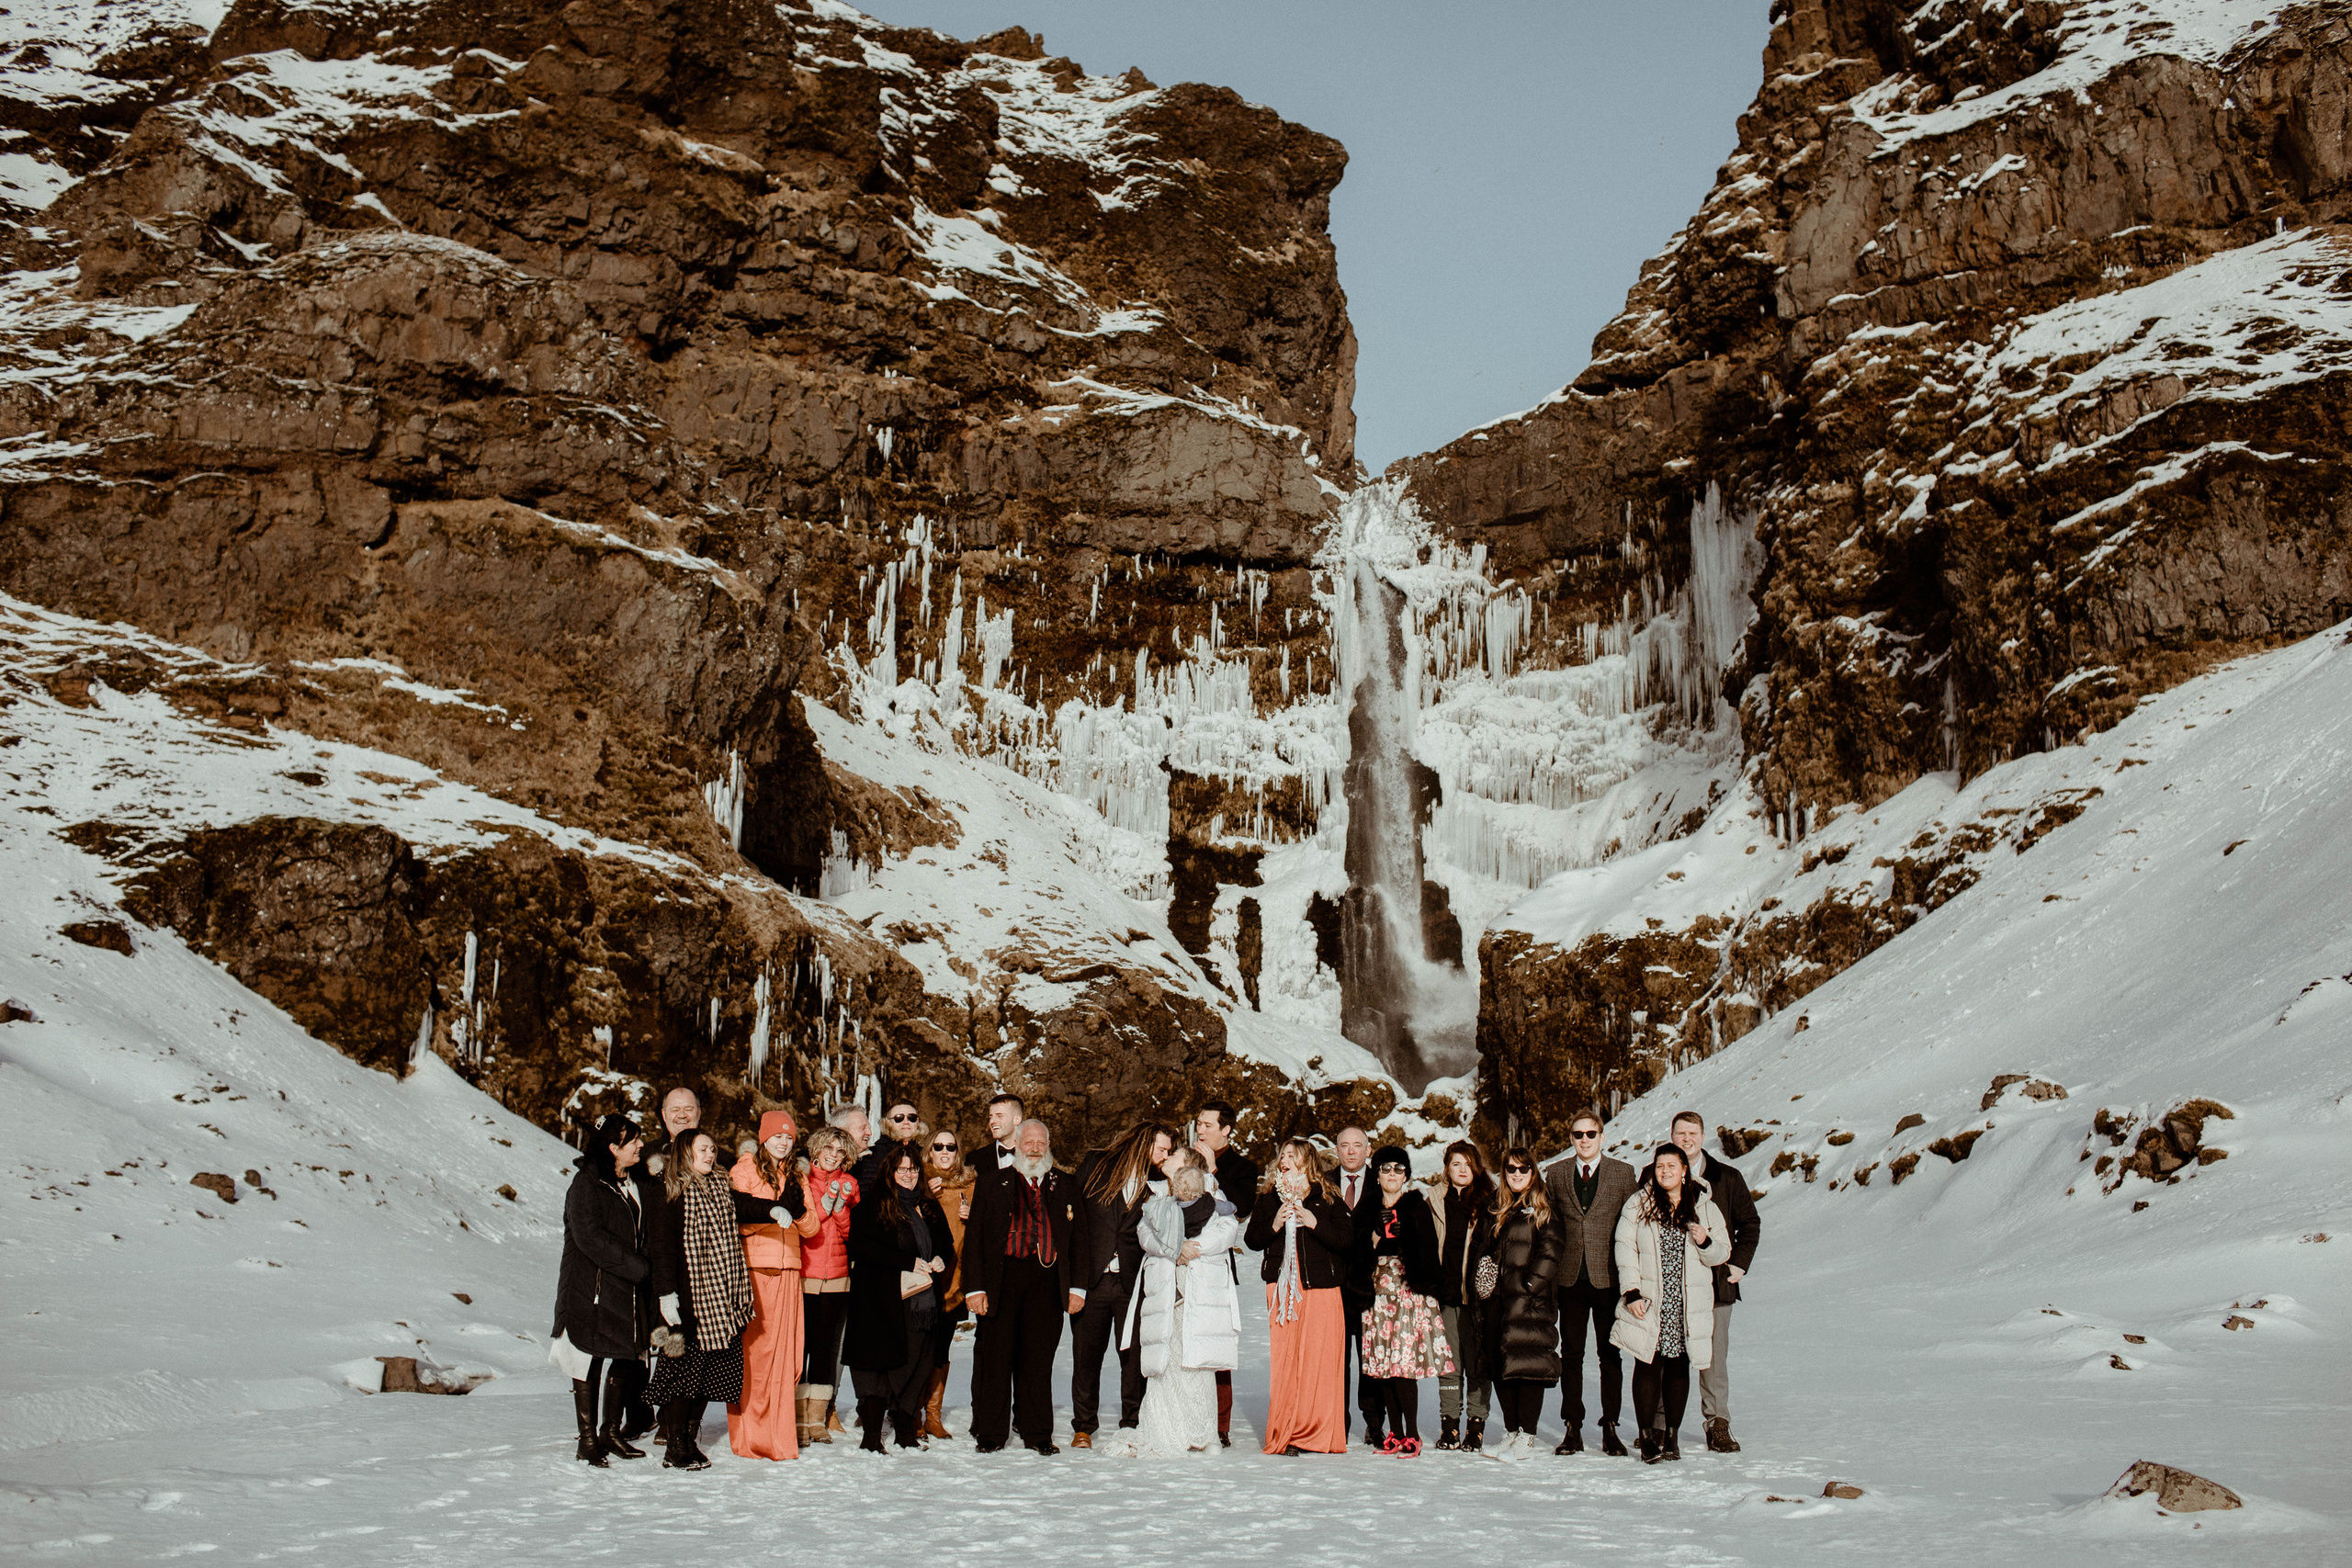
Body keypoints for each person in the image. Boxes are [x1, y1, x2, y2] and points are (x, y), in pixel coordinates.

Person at [1611, 1143, 1731, 1463]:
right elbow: (1624, 1249)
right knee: (1647, 1363)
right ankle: (1648, 1435)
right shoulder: (1639, 1203)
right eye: (1660, 1166)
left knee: (1679, 1365)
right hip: (1650, 1299)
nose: (1665, 1172)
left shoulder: (1704, 1205)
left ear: (1684, 1170)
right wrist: (1631, 1292)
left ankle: (1673, 1436)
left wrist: (1705, 1240)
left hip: (1688, 1300)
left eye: (1671, 1166)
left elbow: (1723, 1252)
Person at [644, 1129, 756, 1470]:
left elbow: (748, 1206)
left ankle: (689, 1440)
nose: (710, 1155)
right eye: (703, 1149)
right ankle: (675, 1445)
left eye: (712, 1149)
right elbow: (661, 1248)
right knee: (682, 1374)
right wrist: (666, 1294)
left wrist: (781, 1207)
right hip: (685, 1298)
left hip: (718, 1298)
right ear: (685, 1152)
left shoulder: (720, 1187)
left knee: (709, 1374)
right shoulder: (669, 1189)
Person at [963, 1118, 1073, 1453]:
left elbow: (1078, 1240)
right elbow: (975, 1241)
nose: (1036, 1149)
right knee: (996, 1360)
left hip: (1046, 1281)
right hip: (1001, 1280)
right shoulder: (992, 1182)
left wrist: (1077, 1289)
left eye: (1041, 1143)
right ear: (1018, 1145)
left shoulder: (1065, 1184)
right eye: (1029, 1143)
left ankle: (1038, 1434)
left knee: (1038, 1362)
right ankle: (992, 1435)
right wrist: (974, 1289)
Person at [549, 1113, 650, 1466]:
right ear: (612, 1148)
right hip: (590, 1288)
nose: (640, 1145)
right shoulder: (585, 1185)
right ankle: (588, 1438)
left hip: (624, 1287)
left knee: (625, 1354)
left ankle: (611, 1430)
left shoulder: (630, 1180)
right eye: (633, 1141)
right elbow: (590, 1239)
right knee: (588, 1358)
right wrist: (639, 1268)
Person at [1129, 1149, 1243, 1454]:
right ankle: (1166, 1426)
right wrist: (1174, 1249)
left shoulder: (1217, 1202)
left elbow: (1228, 1231)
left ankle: (1199, 1430)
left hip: (1201, 1294)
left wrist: (1194, 1248)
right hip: (1169, 1293)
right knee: (1166, 1362)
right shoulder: (1159, 1204)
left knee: (1198, 1365)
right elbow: (1144, 1233)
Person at [843, 1143, 956, 1451]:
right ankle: (872, 1435)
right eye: (902, 1169)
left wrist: (941, 1259)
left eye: (914, 1169)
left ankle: (905, 1428)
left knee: (916, 1364)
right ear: (890, 1172)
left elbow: (945, 1244)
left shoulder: (929, 1206)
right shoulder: (876, 1204)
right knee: (880, 1367)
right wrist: (907, 1263)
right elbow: (861, 1246)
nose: (909, 1174)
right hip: (881, 1299)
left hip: (921, 1301)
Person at [1068, 1122, 1173, 1449]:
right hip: (1093, 1280)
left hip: (1133, 1282)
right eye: (1162, 1149)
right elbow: (1070, 1214)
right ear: (1144, 1143)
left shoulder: (1160, 1183)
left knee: (1133, 1357)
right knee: (1086, 1357)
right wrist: (1073, 1281)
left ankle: (1133, 1422)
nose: (1165, 1156)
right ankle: (1084, 1426)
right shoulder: (1096, 1164)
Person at [1245, 1136, 1352, 1455]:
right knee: (1286, 1360)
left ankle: (1314, 1433)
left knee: (1318, 1361)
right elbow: (1252, 1239)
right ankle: (1287, 1432)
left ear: (1308, 1161)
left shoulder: (1327, 1197)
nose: (1285, 1160)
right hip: (1282, 1289)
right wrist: (1275, 1223)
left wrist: (1314, 1221)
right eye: (1282, 1155)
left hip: (1321, 1288)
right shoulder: (1268, 1198)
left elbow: (1347, 1242)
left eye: (1292, 1155)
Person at [727, 1111, 820, 1460]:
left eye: (788, 1137)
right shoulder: (745, 1168)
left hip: (790, 1270)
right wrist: (771, 1212)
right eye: (777, 1136)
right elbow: (737, 1220)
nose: (783, 1142)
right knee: (756, 1356)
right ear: (764, 1138)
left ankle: (779, 1437)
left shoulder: (796, 1173)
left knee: (787, 1356)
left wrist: (796, 1212)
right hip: (756, 1269)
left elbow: (811, 1229)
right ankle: (750, 1437)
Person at [1544, 1107, 1637, 1456]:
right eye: (1578, 1135)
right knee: (1571, 1355)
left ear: (1602, 1136)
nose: (1585, 1140)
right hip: (1569, 1280)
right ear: (1571, 1138)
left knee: (1610, 1355)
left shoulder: (1623, 1173)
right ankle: (1572, 1427)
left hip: (1609, 1278)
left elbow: (1634, 1225)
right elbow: (1548, 1224)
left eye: (1591, 1134)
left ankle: (1610, 1426)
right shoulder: (1556, 1173)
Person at [1670, 1110, 1762, 1452]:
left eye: (1692, 1133)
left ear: (1703, 1136)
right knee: (1670, 1353)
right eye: (1680, 1133)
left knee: (1713, 1357)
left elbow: (1750, 1224)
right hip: (1672, 1282)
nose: (1687, 1139)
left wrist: (1739, 1265)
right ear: (1672, 1136)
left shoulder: (1727, 1177)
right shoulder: (1658, 1173)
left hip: (1716, 1283)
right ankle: (1663, 1424)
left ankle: (1717, 1423)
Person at [1357, 1144, 1450, 1456]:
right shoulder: (1367, 1208)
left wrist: (1405, 1233)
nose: (1392, 1174)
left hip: (1407, 1292)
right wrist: (1376, 1235)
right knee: (1384, 1364)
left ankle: (1411, 1434)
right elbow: (1355, 1252)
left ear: (1407, 1175)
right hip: (1377, 1293)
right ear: (1377, 1174)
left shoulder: (1416, 1206)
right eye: (1386, 1168)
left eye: (1399, 1169)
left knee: (1403, 1365)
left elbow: (1427, 1252)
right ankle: (1393, 1432)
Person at [1476, 1146, 1561, 1459]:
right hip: (1496, 1298)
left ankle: (1527, 1436)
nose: (1516, 1174)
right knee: (1501, 1364)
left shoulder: (1543, 1208)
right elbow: (1483, 1247)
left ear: (1533, 1172)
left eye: (1523, 1169)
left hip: (1528, 1300)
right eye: (1511, 1169)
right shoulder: (1496, 1205)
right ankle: (1512, 1431)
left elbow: (1551, 1251)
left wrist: (1530, 1284)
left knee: (1527, 1364)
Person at [1193, 1100, 1258, 1446]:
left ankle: (1220, 1425)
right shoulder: (1183, 1159)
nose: (1200, 1130)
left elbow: (1243, 1208)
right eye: (1198, 1124)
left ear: (1226, 1129)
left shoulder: (1243, 1167)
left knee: (1216, 1345)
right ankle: (1186, 1416)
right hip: (1182, 1264)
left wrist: (1213, 1170)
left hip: (1218, 1267)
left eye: (1207, 1125)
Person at [1426, 1139, 1494, 1451]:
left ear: (1476, 1167)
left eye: (1467, 1164)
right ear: (1447, 1168)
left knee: (1478, 1362)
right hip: (1447, 1295)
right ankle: (1449, 1425)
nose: (1462, 1169)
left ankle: (1475, 1427)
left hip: (1478, 1297)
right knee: (1449, 1364)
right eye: (1456, 1164)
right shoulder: (1435, 1200)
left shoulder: (1491, 1200)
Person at [797, 1124, 860, 1444]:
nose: (834, 1156)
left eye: (840, 1151)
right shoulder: (802, 1180)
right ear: (817, 1149)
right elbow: (803, 1227)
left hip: (836, 1278)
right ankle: (796, 1419)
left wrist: (841, 1211)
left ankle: (816, 1419)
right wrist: (825, 1208)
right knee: (800, 1349)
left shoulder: (849, 1183)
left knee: (824, 1350)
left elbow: (851, 1234)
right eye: (829, 1149)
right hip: (804, 1275)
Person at [922, 1123, 978, 1439]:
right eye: (938, 1147)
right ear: (929, 1150)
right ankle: (911, 1411)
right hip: (926, 1278)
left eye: (951, 1147)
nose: (944, 1152)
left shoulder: (970, 1184)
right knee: (919, 1348)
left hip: (957, 1278)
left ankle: (933, 1414)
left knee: (942, 1348)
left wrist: (974, 1217)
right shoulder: (920, 1180)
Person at [1330, 1124, 1384, 1446]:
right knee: (1336, 1359)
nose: (1351, 1151)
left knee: (1370, 1357)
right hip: (1332, 1285)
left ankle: (1374, 1423)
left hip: (1370, 1286)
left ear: (1368, 1150)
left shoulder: (1383, 1182)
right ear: (1336, 1150)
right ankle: (1337, 1420)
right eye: (1345, 1145)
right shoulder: (1321, 1182)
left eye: (1357, 1145)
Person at [854, 1100, 923, 1186]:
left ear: (917, 1122)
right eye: (899, 1118)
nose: (906, 1122)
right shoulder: (873, 1155)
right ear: (888, 1123)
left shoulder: (927, 1153)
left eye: (911, 1117)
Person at [973, 1092, 1024, 1173]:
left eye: (999, 1116)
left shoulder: (1034, 1155)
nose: (992, 1121)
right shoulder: (975, 1159)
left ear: (1017, 1120)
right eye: (991, 1117)